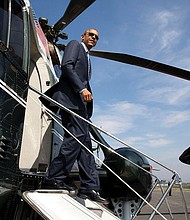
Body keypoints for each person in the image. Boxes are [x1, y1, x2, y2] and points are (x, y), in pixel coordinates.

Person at [41, 28, 107, 204]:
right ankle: (54, 177)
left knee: (85, 145)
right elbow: (66, 66)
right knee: (76, 139)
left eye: (97, 37)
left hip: (81, 106)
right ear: (83, 36)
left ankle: (89, 187)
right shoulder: (75, 45)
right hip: (71, 102)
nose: (94, 38)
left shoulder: (87, 57)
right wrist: (81, 88)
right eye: (91, 34)